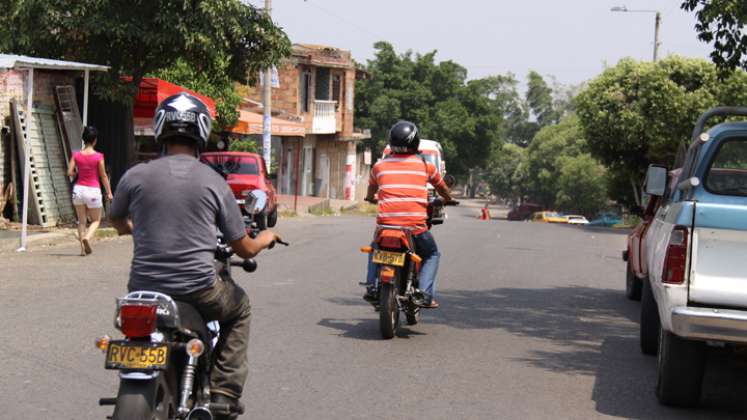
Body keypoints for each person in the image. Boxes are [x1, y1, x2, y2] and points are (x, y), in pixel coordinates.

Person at [109, 92, 280, 417]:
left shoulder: (135, 175)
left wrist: (136, 230)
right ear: (201, 131)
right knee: (240, 309)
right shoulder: (214, 182)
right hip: (198, 289)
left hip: (143, 290)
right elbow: (243, 246)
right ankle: (223, 392)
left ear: (161, 129)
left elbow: (116, 219)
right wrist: (267, 237)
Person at [364, 120, 453, 308]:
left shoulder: (378, 167)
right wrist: (447, 198)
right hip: (414, 229)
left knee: (375, 250)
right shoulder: (425, 166)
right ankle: (425, 294)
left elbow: (371, 191)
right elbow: (442, 188)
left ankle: (372, 286)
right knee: (431, 254)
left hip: (385, 228)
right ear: (415, 142)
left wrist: (371, 198)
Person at [67, 126, 113, 256]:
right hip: (93, 190)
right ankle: (87, 237)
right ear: (95, 141)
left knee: (81, 221)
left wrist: (78, 172)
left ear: (84, 140)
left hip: (78, 190)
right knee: (96, 220)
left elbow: (69, 172)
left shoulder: (76, 155)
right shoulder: (99, 156)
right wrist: (109, 192)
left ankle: (82, 249)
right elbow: (103, 176)